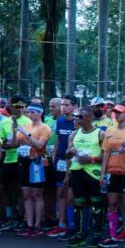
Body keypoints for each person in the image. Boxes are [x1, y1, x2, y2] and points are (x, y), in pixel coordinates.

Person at [99, 103, 125, 248]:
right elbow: (105, 153)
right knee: (112, 204)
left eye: (120, 112)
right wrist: (103, 174)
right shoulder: (109, 131)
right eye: (115, 112)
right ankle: (112, 235)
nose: (116, 114)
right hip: (112, 173)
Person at [65, 107, 105, 248]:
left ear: (89, 118)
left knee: (96, 204)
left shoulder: (100, 134)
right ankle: (80, 234)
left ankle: (97, 235)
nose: (76, 119)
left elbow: (105, 156)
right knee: (79, 204)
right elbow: (68, 154)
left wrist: (91, 159)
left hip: (93, 173)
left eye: (80, 117)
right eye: (76, 116)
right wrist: (71, 151)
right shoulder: (74, 134)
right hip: (77, 172)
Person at [14, 104, 52, 236]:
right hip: (24, 161)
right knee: (26, 194)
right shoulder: (26, 126)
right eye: (29, 112)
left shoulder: (45, 127)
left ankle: (37, 224)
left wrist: (27, 135)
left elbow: (40, 145)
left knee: (37, 194)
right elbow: (15, 143)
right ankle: (29, 224)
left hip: (37, 162)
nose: (31, 115)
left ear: (40, 113)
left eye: (34, 112)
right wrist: (14, 132)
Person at [0, 95, 31, 230]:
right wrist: (10, 144)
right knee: (5, 188)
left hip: (22, 161)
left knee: (20, 190)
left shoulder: (28, 121)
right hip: (7, 160)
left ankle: (21, 217)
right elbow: (2, 142)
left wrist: (14, 144)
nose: (20, 109)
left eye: (22, 107)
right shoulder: (4, 122)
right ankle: (9, 217)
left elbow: (27, 142)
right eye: (17, 106)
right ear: (10, 106)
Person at [48, 95, 78, 239]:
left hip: (73, 163)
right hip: (60, 162)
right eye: (63, 105)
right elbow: (58, 140)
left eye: (67, 105)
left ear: (74, 106)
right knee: (60, 193)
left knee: (70, 196)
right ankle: (61, 224)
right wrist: (54, 157)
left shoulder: (77, 122)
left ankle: (72, 226)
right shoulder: (59, 121)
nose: (64, 107)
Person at [43, 98, 62, 227]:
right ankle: (49, 217)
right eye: (50, 106)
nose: (51, 109)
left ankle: (61, 218)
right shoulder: (47, 120)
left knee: (60, 191)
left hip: (60, 159)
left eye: (54, 106)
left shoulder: (65, 121)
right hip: (46, 159)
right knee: (47, 190)